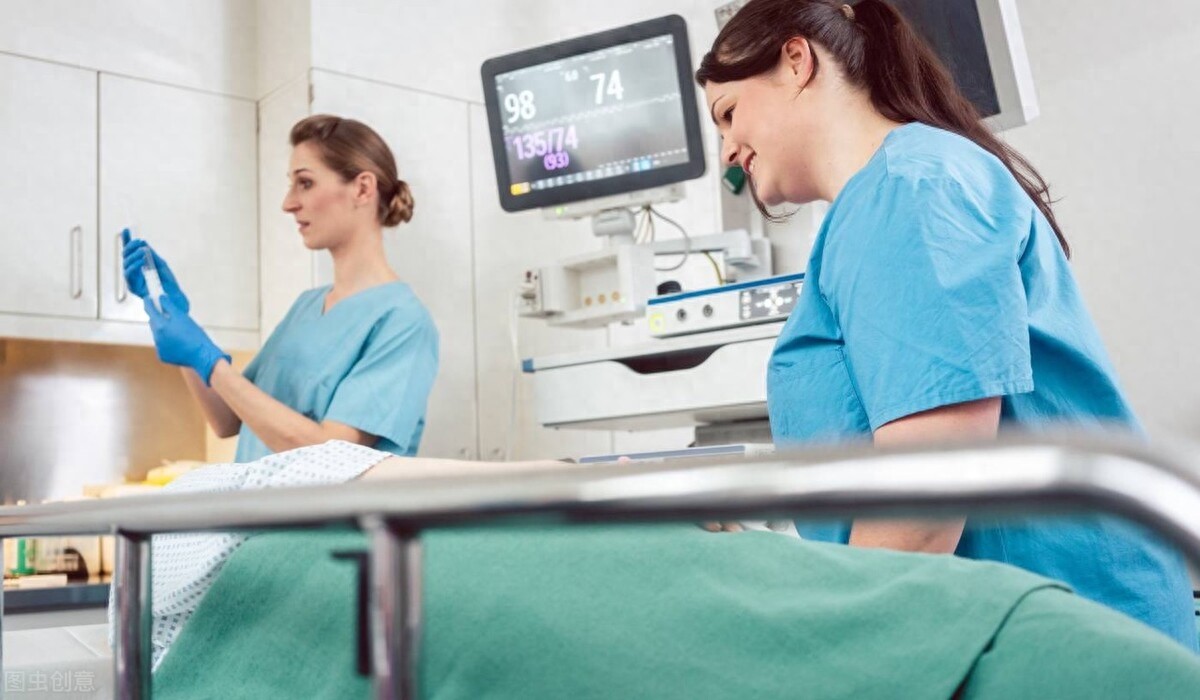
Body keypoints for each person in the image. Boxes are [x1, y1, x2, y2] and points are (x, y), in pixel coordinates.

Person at [695, 0, 1196, 649]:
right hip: (1015, 621)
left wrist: (830, 651)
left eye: (728, 113)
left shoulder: (913, 189)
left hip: (1067, 640)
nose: (728, 151)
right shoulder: (889, 199)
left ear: (796, 61)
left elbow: (927, 496)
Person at [123, 115, 439, 463]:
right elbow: (227, 419)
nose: (288, 203)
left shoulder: (403, 322)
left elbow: (332, 456)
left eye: (305, 183)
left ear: (362, 189)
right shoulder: (308, 306)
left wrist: (209, 361)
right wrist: (181, 324)